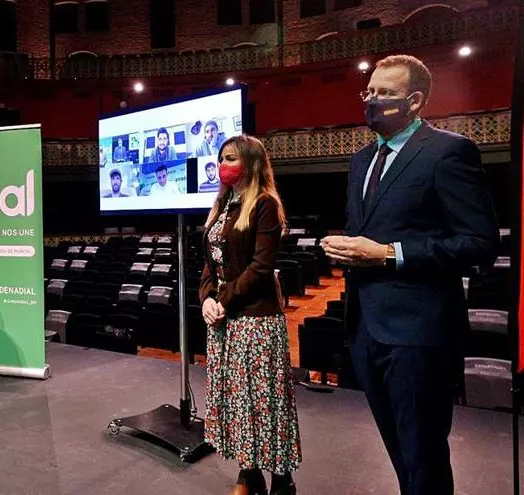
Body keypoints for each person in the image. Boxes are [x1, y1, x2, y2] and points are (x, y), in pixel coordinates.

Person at [321, 54, 499, 495]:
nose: (372, 101)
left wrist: (387, 254)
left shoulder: (448, 151)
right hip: (366, 328)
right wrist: (347, 250)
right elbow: (369, 234)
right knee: (401, 452)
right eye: (369, 92)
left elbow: (479, 243)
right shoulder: (362, 160)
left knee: (424, 456)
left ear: (415, 101)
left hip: (419, 333)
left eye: (385, 94)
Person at [199, 135, 301, 495]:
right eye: (221, 158)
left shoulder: (264, 204)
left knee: (264, 401)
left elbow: (261, 267)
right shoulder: (222, 205)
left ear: (251, 163)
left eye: (230, 158)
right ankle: (249, 471)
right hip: (225, 318)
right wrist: (207, 298)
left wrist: (224, 300)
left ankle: (282, 479)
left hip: (255, 318)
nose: (222, 165)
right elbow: (211, 264)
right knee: (237, 400)